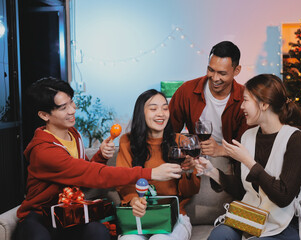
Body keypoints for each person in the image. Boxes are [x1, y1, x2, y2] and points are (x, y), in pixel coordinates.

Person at [15, 78, 182, 240]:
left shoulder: (73, 134)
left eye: (71, 103)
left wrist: (101, 156)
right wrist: (151, 173)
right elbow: (94, 174)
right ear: (45, 115)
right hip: (41, 216)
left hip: (69, 214)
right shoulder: (44, 151)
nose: (72, 110)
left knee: (98, 231)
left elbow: (81, 174)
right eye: (63, 107)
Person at [196, 74, 301, 240]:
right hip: (250, 216)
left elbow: (283, 197)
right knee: (219, 236)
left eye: (245, 100)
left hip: (284, 222)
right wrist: (211, 171)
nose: (241, 107)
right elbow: (241, 189)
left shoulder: (295, 139)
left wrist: (248, 161)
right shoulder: (247, 136)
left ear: (264, 104)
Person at [168, 40, 249, 221]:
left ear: (236, 71)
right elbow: (168, 133)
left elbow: (249, 148)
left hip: (229, 159)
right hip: (194, 157)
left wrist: (221, 150)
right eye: (211, 70)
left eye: (222, 73)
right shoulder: (187, 91)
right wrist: (185, 142)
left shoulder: (244, 98)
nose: (215, 78)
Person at [116, 89, 200, 240]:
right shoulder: (127, 141)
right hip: (140, 217)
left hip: (174, 217)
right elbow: (123, 181)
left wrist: (189, 172)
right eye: (153, 109)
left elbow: (191, 191)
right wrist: (134, 199)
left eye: (165, 108)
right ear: (141, 113)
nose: (161, 113)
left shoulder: (181, 141)